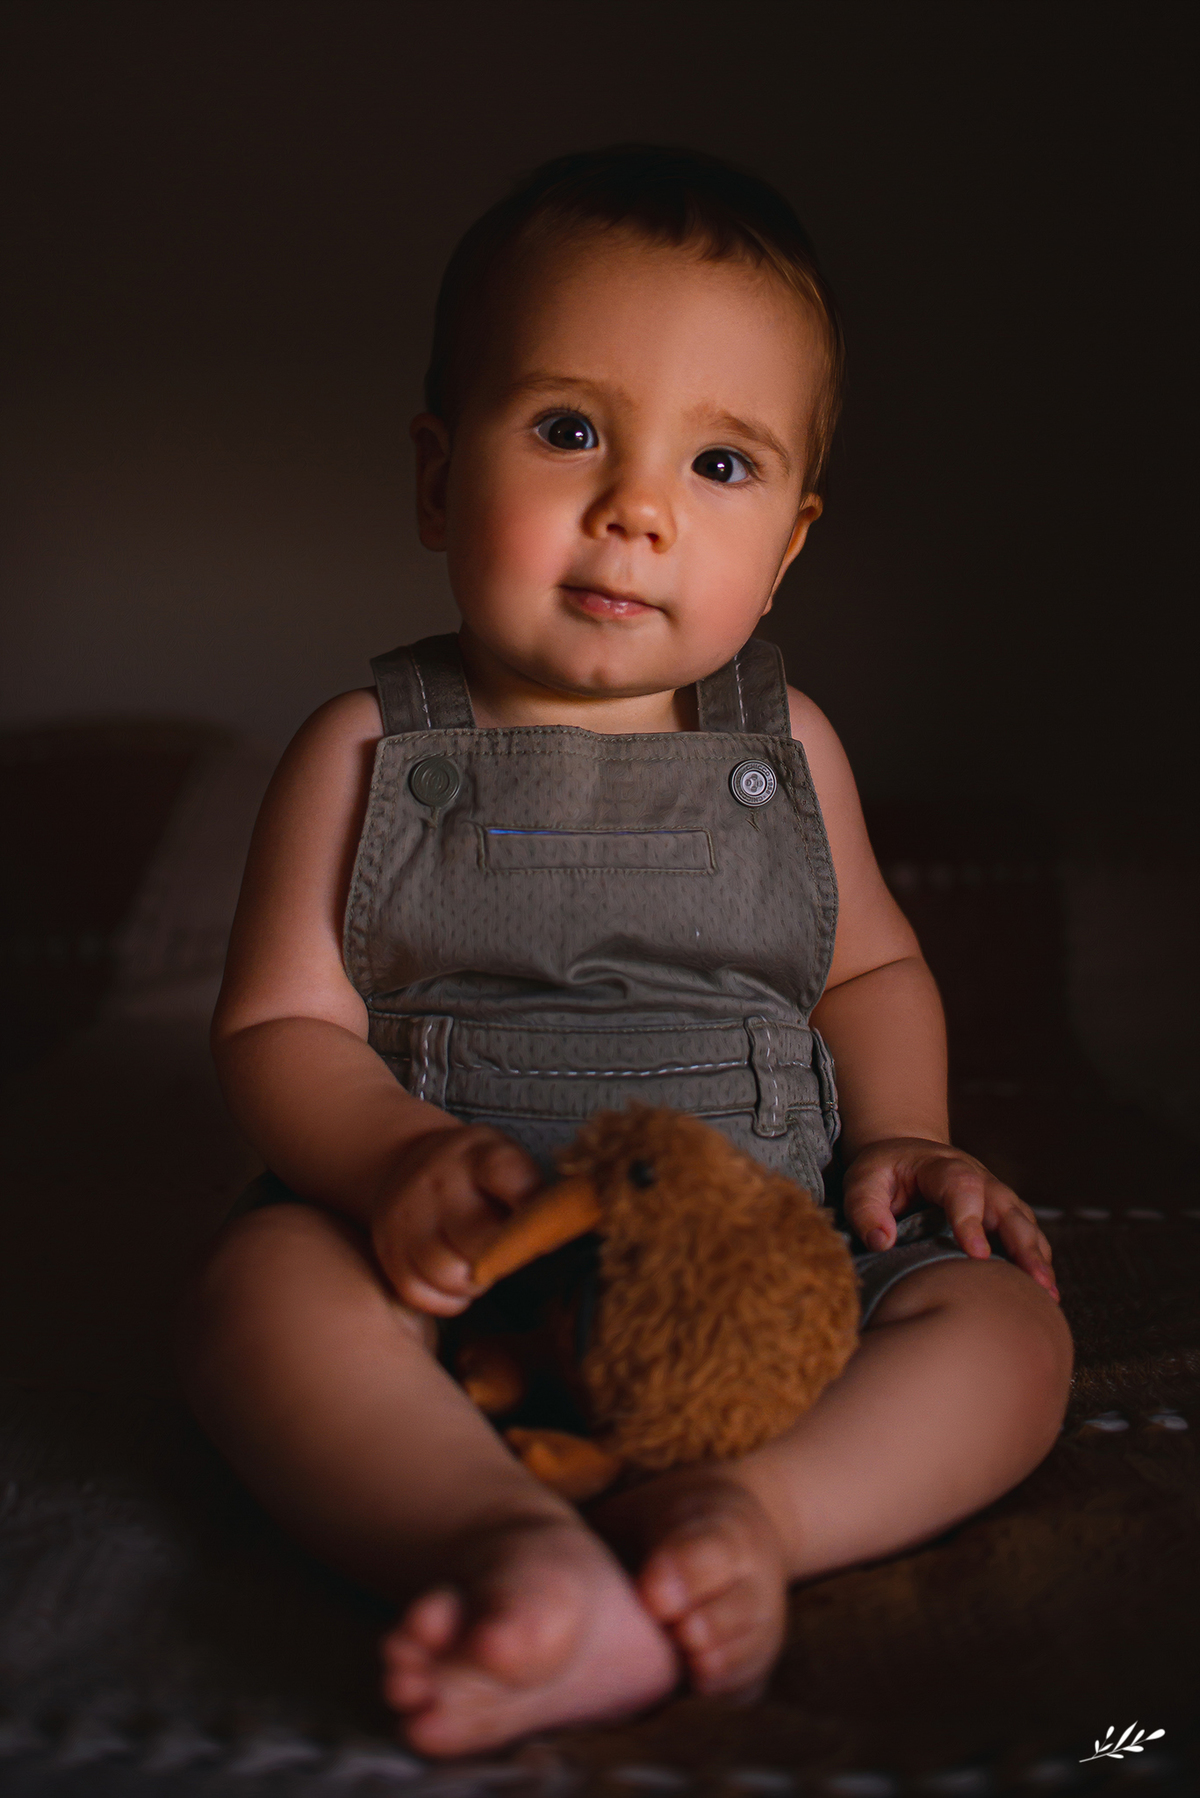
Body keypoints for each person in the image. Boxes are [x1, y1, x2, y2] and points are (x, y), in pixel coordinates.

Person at [178, 146, 1073, 1759]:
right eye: (571, 429)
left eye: (721, 464)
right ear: (441, 476)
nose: (636, 507)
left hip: (771, 1246)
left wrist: (908, 1137)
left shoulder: (788, 744)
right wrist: (390, 1163)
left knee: (1012, 1332)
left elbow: (868, 972)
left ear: (791, 540)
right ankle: (491, 1539)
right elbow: (277, 1030)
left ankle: (757, 1513)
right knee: (260, 1291)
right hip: (462, 1262)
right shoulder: (368, 745)